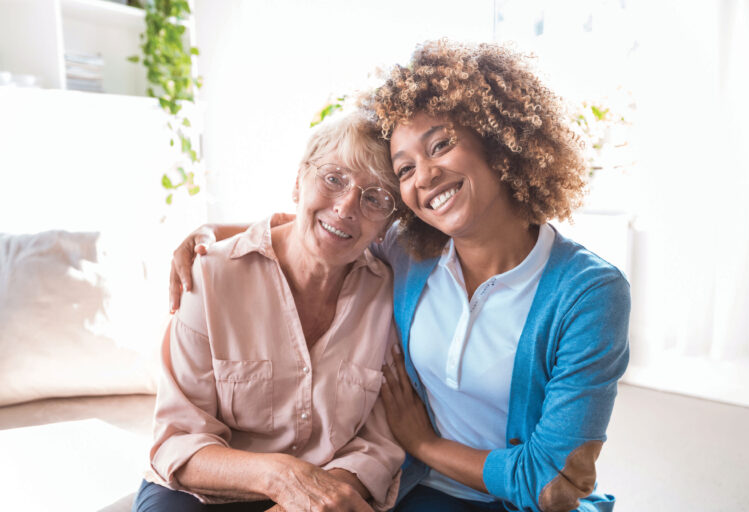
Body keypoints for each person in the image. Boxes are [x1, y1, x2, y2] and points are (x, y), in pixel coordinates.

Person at [169, 40, 631, 512]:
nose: (425, 176)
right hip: (416, 491)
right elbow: (322, 225)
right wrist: (212, 234)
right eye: (404, 168)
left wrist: (423, 443)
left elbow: (551, 484)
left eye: (441, 145)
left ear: (496, 140)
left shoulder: (589, 293)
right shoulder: (412, 252)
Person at [133, 111, 405, 512]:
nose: (347, 207)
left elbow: (377, 443)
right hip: (204, 488)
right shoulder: (209, 276)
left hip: (324, 489)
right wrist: (283, 479)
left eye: (375, 198)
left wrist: (316, 496)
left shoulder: (387, 295)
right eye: (334, 178)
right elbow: (178, 438)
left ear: (387, 225)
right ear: (298, 183)